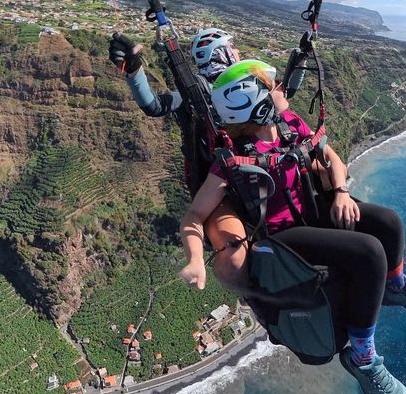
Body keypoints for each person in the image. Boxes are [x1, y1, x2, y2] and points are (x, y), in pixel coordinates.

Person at [179, 60, 406, 394]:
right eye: (271, 87)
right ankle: (363, 359)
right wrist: (196, 259)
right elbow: (195, 215)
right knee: (369, 253)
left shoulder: (289, 126)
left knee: (388, 223)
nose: (280, 90)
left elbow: (330, 159)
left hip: (313, 210)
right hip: (283, 236)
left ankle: (395, 286)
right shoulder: (232, 161)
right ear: (254, 101)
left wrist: (342, 192)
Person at [109, 28, 295, 291]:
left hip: (255, 166)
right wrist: (134, 70)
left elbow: (280, 111)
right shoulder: (196, 90)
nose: (238, 52)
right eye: (232, 47)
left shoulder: (248, 80)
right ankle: (259, 295)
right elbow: (154, 105)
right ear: (219, 52)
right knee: (235, 254)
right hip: (217, 182)